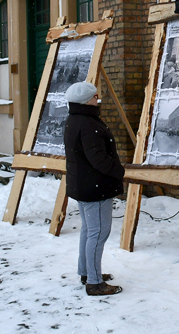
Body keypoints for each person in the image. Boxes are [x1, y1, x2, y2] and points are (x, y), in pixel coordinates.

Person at [64, 81, 125, 297]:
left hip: (84, 185)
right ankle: (95, 282)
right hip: (94, 187)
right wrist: (119, 171)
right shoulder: (88, 124)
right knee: (98, 233)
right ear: (85, 100)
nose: (97, 99)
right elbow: (97, 158)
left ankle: (87, 272)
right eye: (94, 96)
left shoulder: (75, 119)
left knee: (89, 231)